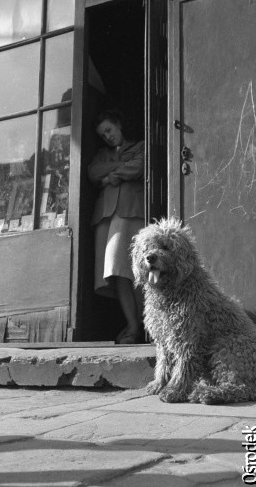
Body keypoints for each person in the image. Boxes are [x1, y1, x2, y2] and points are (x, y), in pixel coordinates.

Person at [88, 109, 145, 344]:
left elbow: (140, 166)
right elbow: (92, 172)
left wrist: (113, 175)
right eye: (103, 135)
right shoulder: (103, 154)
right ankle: (133, 326)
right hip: (106, 217)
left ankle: (146, 325)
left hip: (131, 211)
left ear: (119, 124)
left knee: (137, 270)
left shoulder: (141, 145)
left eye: (109, 130)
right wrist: (122, 167)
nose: (108, 137)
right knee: (117, 273)